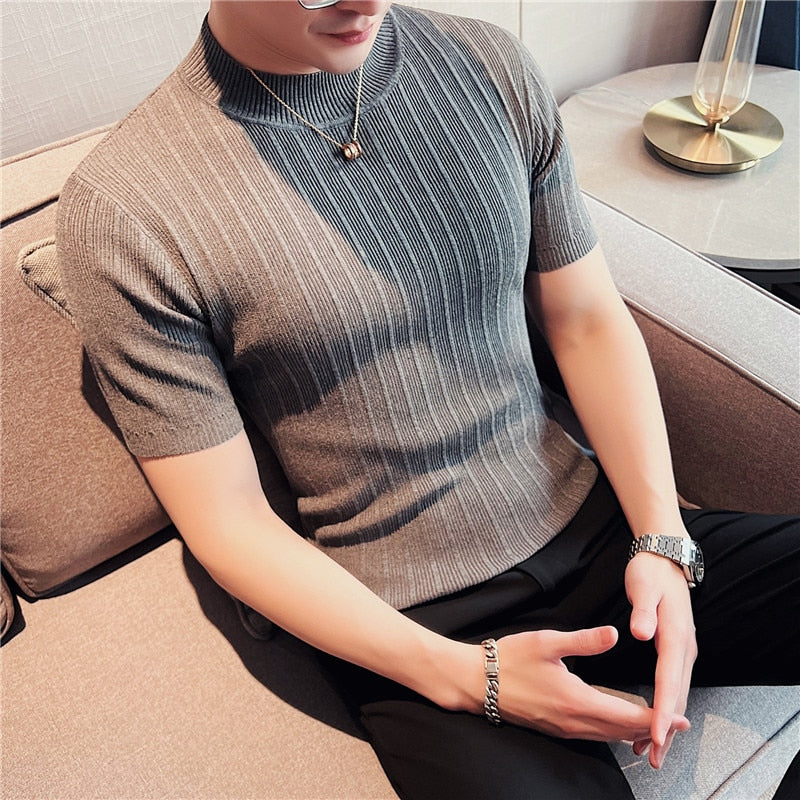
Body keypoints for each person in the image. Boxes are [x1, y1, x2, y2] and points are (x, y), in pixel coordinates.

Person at [56, 2, 799, 798]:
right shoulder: (125, 212)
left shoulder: (488, 65)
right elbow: (227, 519)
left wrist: (661, 538)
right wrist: (465, 677)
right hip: (415, 617)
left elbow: (584, 318)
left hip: (598, 526)